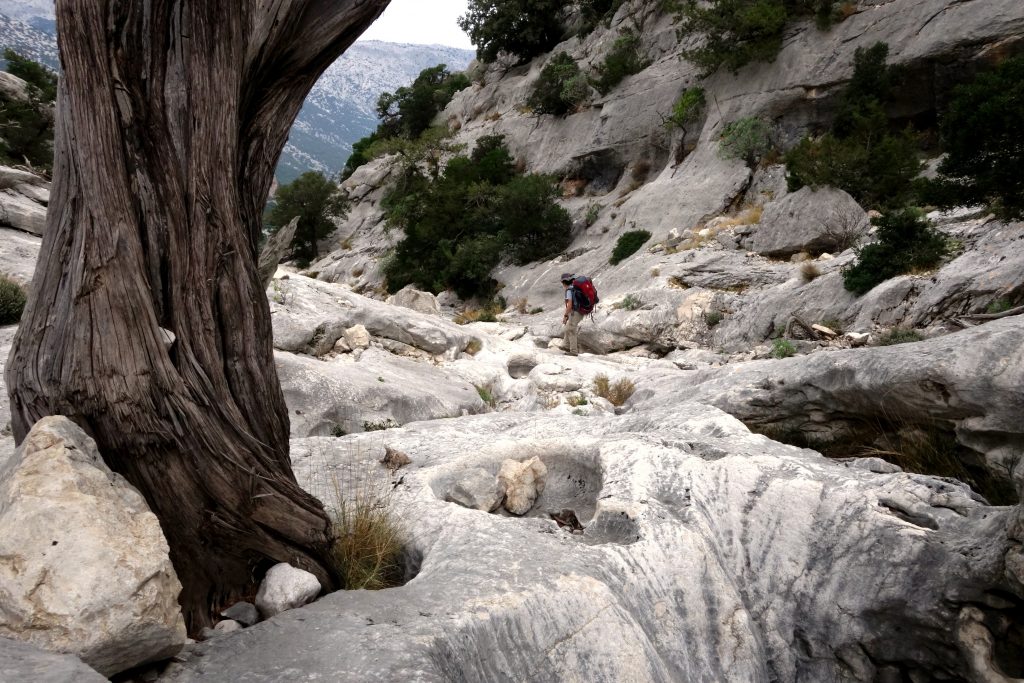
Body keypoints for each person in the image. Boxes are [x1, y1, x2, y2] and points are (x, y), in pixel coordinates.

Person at [561, 273, 583, 356]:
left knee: (571, 330)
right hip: (580, 311)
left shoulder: (569, 291)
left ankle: (573, 351)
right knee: (568, 328)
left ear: (563, 282)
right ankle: (566, 346)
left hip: (576, 312)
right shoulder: (575, 288)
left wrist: (565, 315)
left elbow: (569, 305)